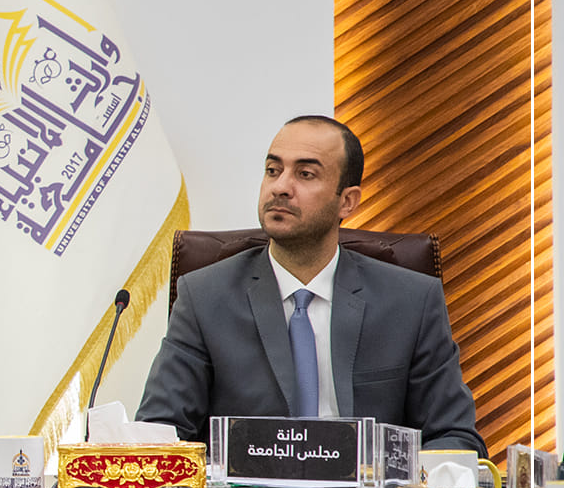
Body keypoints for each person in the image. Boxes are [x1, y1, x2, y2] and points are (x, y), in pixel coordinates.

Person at [136, 115, 485, 455]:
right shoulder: (205, 297)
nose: (280, 187)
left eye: (305, 174)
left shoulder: (411, 302)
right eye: (273, 170)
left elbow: (453, 437)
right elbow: (159, 433)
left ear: (347, 201)